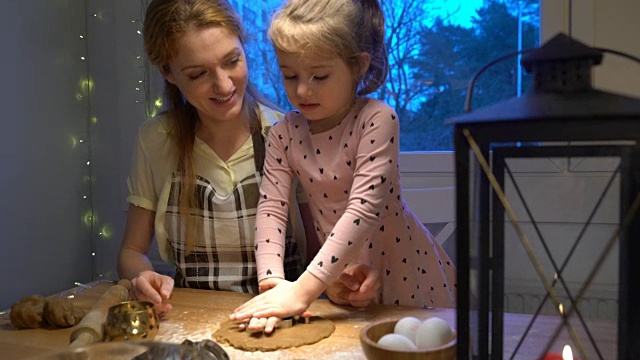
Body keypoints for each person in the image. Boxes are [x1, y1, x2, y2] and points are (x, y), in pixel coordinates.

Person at [117, 0, 378, 315]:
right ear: (168, 73)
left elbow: (315, 250)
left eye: (232, 61)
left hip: (280, 315)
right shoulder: (156, 141)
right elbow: (131, 252)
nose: (223, 84)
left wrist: (333, 283)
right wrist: (141, 276)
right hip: (190, 316)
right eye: (198, 73)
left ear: (244, 47)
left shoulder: (286, 135)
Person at [231, 0, 457, 333]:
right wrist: (274, 283)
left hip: (406, 276)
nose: (303, 89)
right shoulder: (284, 134)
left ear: (359, 66)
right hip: (340, 279)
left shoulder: (377, 120)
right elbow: (271, 210)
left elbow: (362, 211)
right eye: (290, 75)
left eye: (319, 76)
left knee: (413, 347)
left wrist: (304, 289)